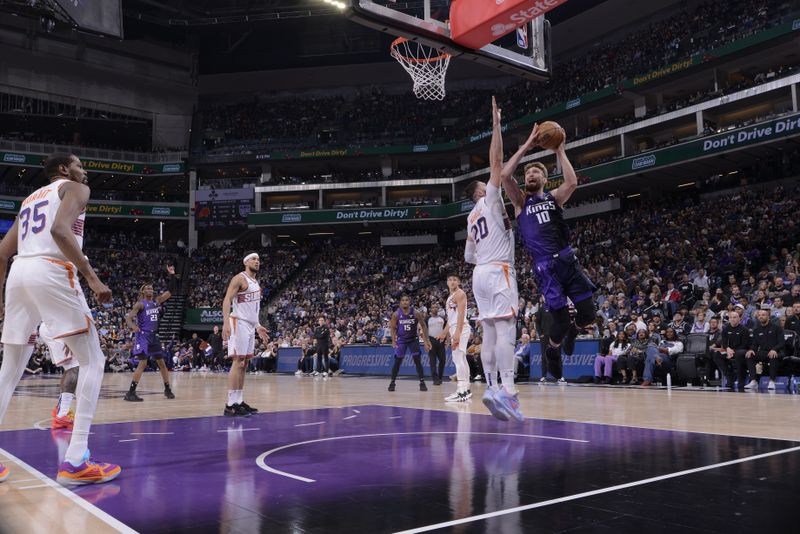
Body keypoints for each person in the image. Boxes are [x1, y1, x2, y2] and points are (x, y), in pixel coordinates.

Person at [0, 153, 120, 486]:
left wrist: (0, 299)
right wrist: (93, 280)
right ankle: (76, 459)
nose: (86, 170)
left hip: (19, 274)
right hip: (50, 271)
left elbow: (1, 252)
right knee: (93, 360)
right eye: (81, 165)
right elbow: (59, 230)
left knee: (8, 371)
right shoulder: (76, 189)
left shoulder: (29, 199)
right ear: (65, 170)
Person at [501, 115, 596, 394]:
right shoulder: (520, 202)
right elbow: (506, 175)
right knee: (560, 320)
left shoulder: (553, 198)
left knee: (588, 314)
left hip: (567, 259)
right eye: (528, 173)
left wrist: (560, 150)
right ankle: (552, 350)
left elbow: (573, 182)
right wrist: (528, 144)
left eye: (535, 173)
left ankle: (575, 332)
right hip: (544, 268)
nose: (530, 175)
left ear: (544, 178)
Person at [463, 97, 522, 422]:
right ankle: (509, 392)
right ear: (480, 192)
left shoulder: (471, 219)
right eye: (487, 185)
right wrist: (497, 125)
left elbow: (470, 256)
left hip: (480, 274)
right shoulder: (489, 198)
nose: (492, 183)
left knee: (488, 332)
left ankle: (489, 387)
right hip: (499, 270)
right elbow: (497, 162)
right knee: (506, 328)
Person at [221, 252, 269, 416]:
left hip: (249, 325)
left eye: (258, 259)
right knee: (238, 361)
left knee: (245, 363)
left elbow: (253, 309)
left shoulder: (256, 283)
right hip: (238, 322)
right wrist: (226, 322)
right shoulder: (239, 278)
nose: (257, 261)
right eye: (254, 259)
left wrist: (258, 325)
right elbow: (227, 300)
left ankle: (239, 401)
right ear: (246, 262)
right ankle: (230, 404)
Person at [123, 265, 179, 402]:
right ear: (142, 291)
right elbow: (128, 317)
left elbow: (171, 291)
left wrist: (172, 275)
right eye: (148, 288)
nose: (151, 290)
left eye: (152, 288)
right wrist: (133, 327)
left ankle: (167, 389)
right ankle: (131, 392)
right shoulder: (140, 304)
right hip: (143, 336)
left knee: (162, 363)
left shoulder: (156, 301)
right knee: (143, 363)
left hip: (154, 336)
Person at [39, 323, 79, 430]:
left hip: (56, 326)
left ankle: (61, 410)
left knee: (71, 367)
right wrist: (69, 337)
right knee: (74, 368)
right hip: (57, 327)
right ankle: (62, 415)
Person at [388, 294, 431, 392]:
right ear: (400, 302)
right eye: (403, 300)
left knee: (417, 361)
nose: (405, 302)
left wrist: (426, 340)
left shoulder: (416, 313)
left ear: (409, 301)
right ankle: (392, 382)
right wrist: (394, 340)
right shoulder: (396, 314)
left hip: (413, 339)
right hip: (401, 340)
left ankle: (422, 382)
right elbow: (393, 328)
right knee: (397, 362)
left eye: (406, 300)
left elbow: (424, 326)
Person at [443, 274, 472, 402]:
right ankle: (466, 389)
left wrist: (457, 333)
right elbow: (451, 319)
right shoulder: (450, 296)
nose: (452, 281)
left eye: (455, 279)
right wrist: (444, 333)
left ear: (459, 281)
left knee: (458, 358)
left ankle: (461, 391)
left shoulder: (460, 294)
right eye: (450, 279)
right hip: (456, 327)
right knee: (461, 358)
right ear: (447, 282)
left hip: (461, 328)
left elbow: (460, 314)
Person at [745, 309, 784, 390]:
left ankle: (772, 381)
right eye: (759, 315)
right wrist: (751, 349)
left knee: (773, 355)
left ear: (768, 317)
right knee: (750, 355)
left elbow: (781, 343)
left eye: (763, 315)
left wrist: (774, 349)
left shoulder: (776, 328)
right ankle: (753, 381)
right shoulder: (756, 330)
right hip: (764, 352)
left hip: (777, 352)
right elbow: (755, 344)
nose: (761, 316)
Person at [715, 310, 750, 389]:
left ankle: (741, 379)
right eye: (730, 317)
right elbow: (724, 342)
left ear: (739, 319)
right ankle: (730, 376)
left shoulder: (744, 330)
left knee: (739, 354)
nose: (732, 319)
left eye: (735, 317)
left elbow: (745, 345)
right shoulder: (726, 329)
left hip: (741, 350)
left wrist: (732, 351)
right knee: (716, 355)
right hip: (729, 350)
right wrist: (727, 348)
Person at [427, 302, 447, 386]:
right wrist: (426, 341)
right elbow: (424, 331)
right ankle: (435, 379)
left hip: (441, 341)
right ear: (430, 309)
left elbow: (447, 330)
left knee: (442, 360)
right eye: (433, 307)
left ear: (438, 309)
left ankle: (440, 377)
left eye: (436, 307)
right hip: (431, 340)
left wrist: (447, 341)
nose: (434, 308)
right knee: (433, 361)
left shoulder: (442, 319)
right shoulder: (427, 319)